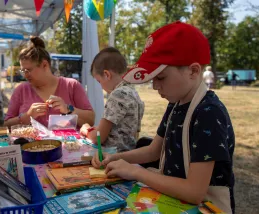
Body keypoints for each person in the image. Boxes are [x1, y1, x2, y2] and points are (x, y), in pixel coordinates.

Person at [92, 21, 235, 213]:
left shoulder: (209, 113)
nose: (154, 86)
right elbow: (154, 151)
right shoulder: (176, 104)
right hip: (174, 202)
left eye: (161, 78)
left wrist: (136, 172)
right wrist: (115, 157)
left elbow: (195, 192)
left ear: (193, 71)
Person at [4, 37, 95, 128]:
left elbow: (91, 120)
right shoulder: (21, 90)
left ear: (45, 65)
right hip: (31, 142)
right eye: (23, 71)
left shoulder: (71, 85)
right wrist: (27, 116)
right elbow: (6, 125)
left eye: (28, 70)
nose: (25, 75)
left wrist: (68, 109)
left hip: (68, 142)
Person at [79, 47, 144, 152]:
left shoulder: (118, 95)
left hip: (112, 156)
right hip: (127, 155)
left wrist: (87, 130)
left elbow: (98, 138)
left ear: (107, 75)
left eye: (99, 81)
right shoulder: (133, 93)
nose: (101, 86)